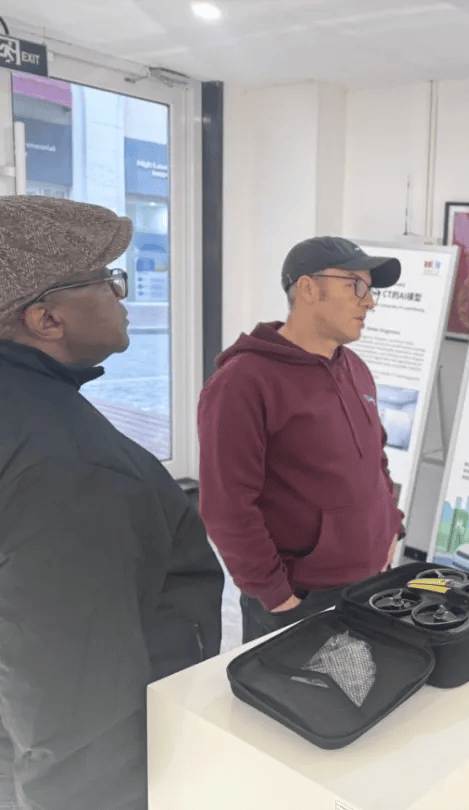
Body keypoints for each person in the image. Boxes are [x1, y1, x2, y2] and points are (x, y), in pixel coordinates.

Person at [0, 195, 224, 810]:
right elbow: (76, 713)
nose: (121, 296)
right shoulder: (72, 468)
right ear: (47, 319)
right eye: (105, 279)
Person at [198, 236, 405, 643]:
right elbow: (227, 504)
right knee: (302, 686)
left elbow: (375, 458)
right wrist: (275, 594)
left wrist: (390, 527)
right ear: (308, 288)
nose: (369, 302)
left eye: (370, 289)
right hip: (302, 597)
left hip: (370, 581)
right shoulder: (243, 381)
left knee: (367, 679)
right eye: (356, 286)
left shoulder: (354, 367)